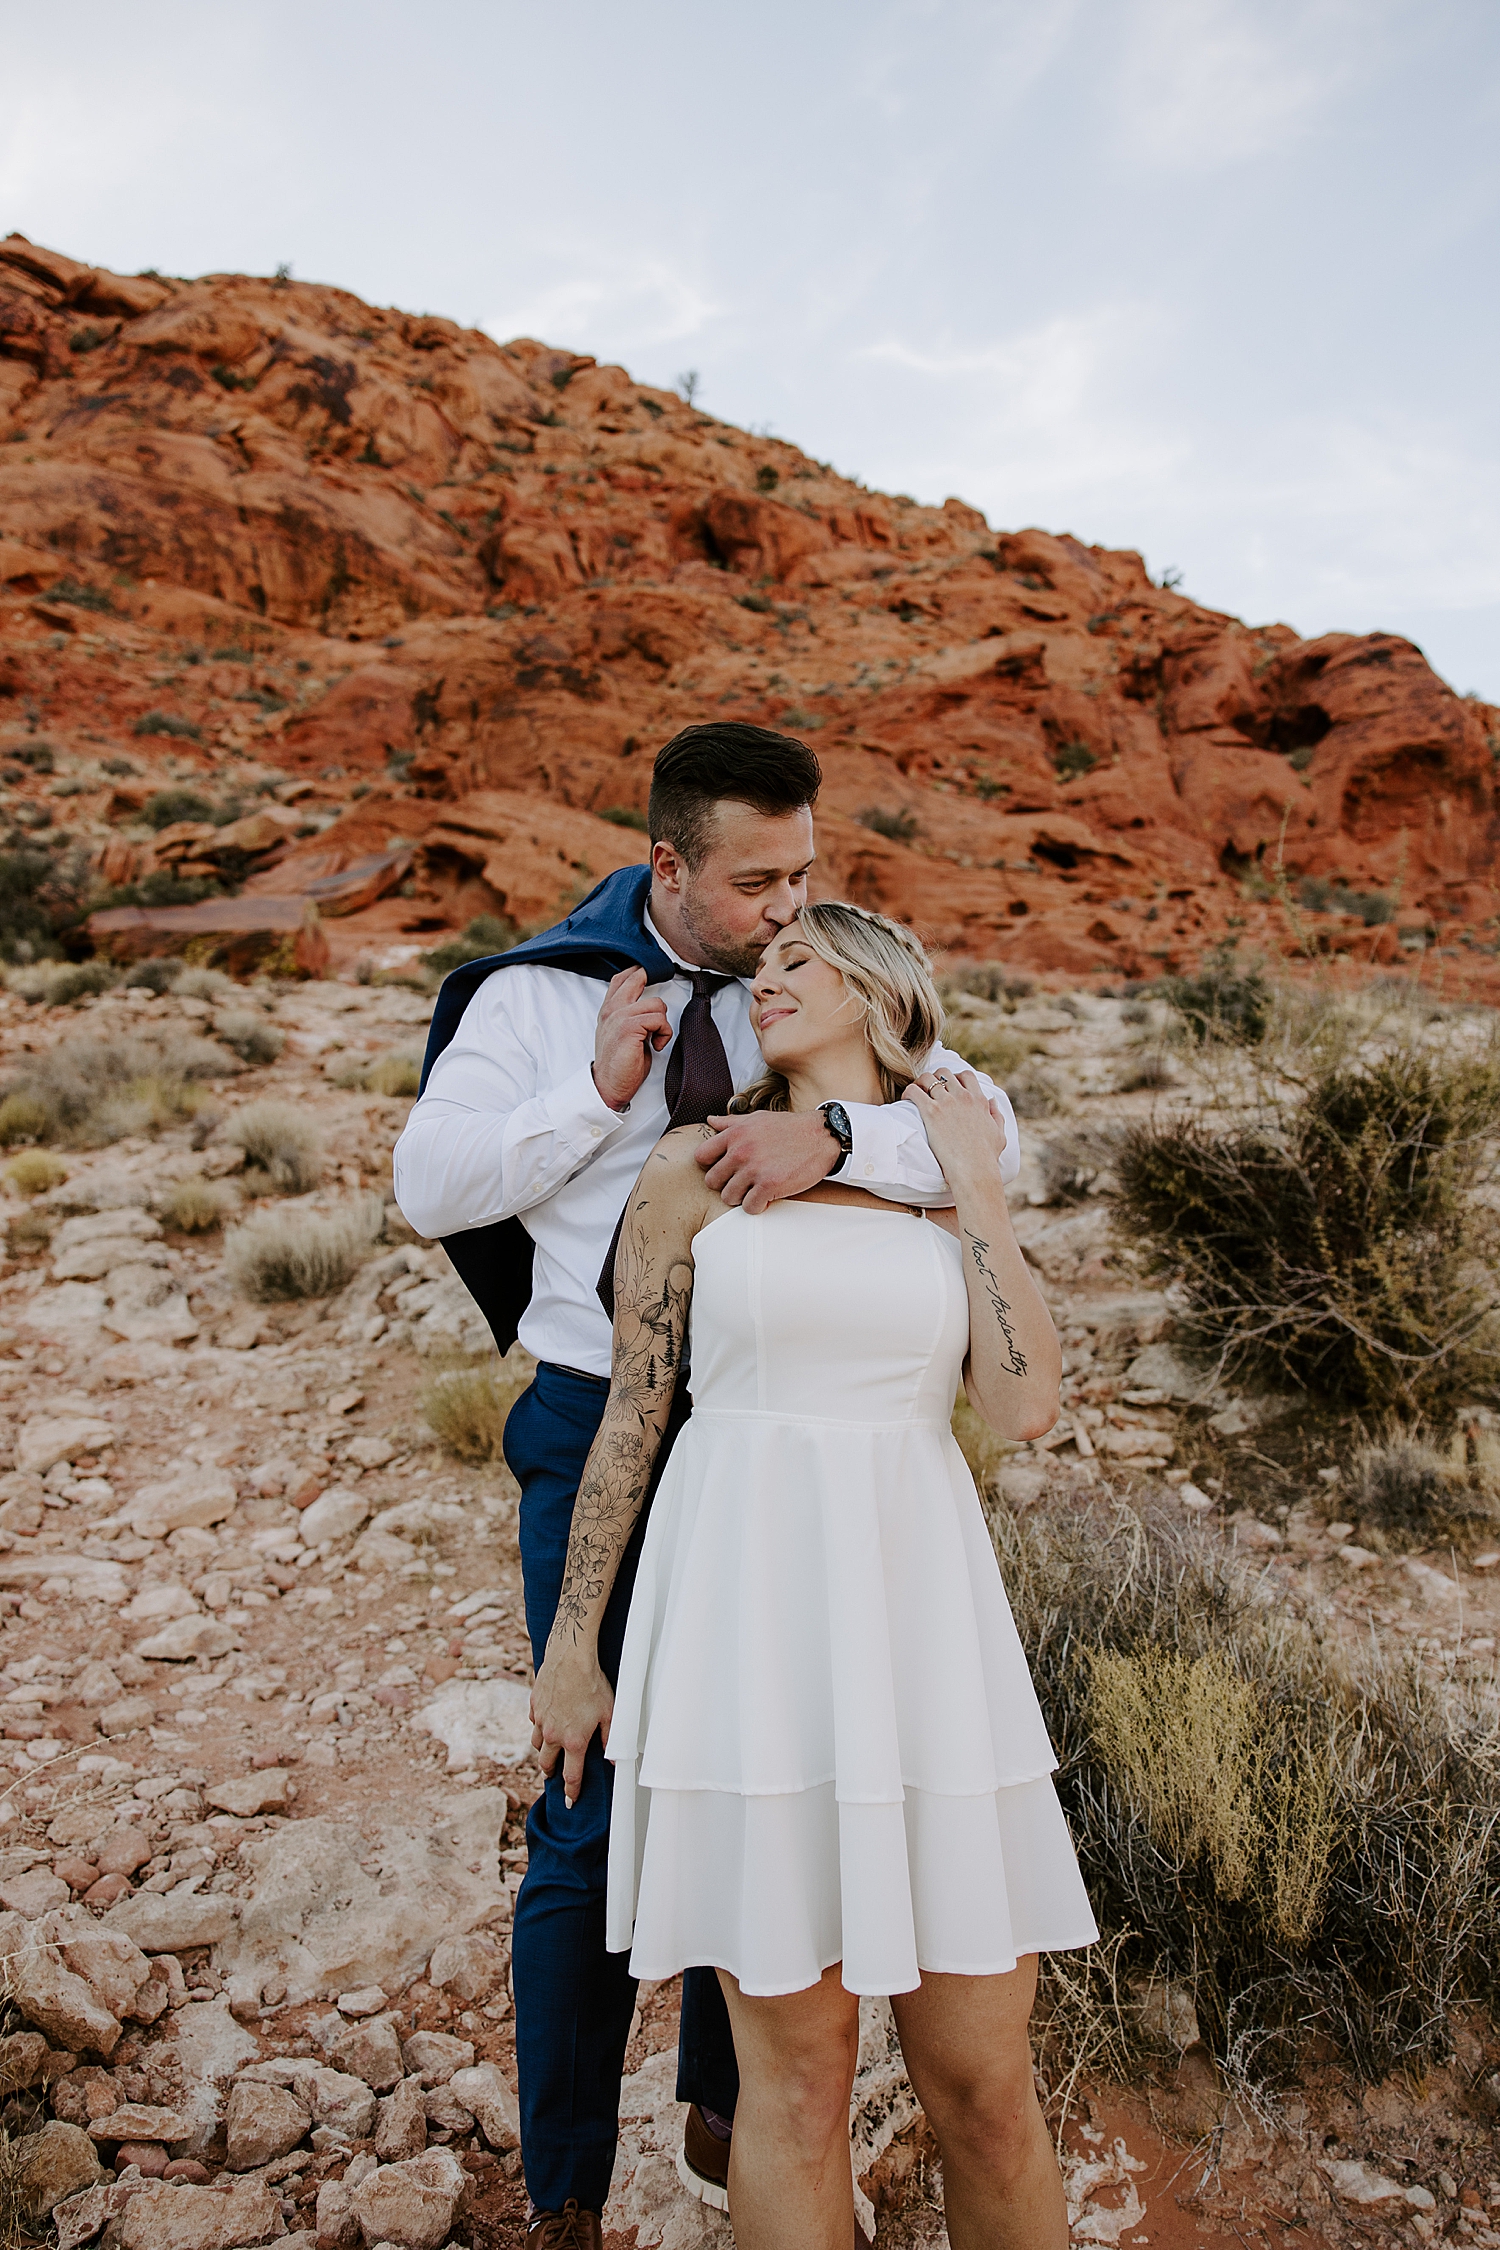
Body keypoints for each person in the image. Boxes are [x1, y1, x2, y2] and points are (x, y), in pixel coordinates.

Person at [393, 724, 1021, 2249]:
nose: (784, 907)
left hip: (783, 1421)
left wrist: (837, 1135)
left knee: (765, 1792)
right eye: (756, 880)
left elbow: (997, 1140)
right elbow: (429, 1184)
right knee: (589, 1804)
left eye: (804, 872)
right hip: (605, 1410)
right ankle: (564, 2185)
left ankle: (737, 2124)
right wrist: (597, 1099)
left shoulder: (813, 995)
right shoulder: (540, 995)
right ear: (667, 864)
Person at [531, 901, 1097, 2250]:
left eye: (800, 960)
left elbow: (1020, 1411)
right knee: (793, 2084)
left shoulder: (944, 1157)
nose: (766, 981)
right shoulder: (692, 1165)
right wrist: (571, 1648)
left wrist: (980, 1194)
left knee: (987, 2087)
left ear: (881, 989)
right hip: (745, 1618)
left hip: (919, 1623)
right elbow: (632, 1414)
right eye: (758, 966)